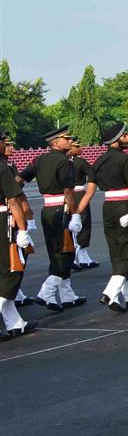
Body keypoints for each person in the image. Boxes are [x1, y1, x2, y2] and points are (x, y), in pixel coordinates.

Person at [19, 126, 85, 311]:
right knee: (65, 253)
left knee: (56, 251)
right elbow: (68, 191)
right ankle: (46, 292)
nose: (71, 142)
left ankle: (67, 295)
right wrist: (76, 215)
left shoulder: (39, 160)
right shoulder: (65, 162)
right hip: (62, 210)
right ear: (57, 142)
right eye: (67, 139)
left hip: (47, 210)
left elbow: (19, 181)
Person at [91, 123, 128, 311]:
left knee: (117, 250)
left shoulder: (98, 160)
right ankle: (110, 293)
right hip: (124, 205)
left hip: (108, 207)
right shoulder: (123, 159)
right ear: (117, 140)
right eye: (125, 135)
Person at [1, 129, 35, 337]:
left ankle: (15, 322)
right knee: (12, 270)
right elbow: (13, 200)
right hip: (3, 220)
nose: (5, 144)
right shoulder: (3, 168)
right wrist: (23, 229)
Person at [68, 140, 100, 270]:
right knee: (84, 222)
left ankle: (73, 255)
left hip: (65, 196)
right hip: (79, 194)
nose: (80, 148)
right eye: (77, 146)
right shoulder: (80, 162)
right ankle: (82, 255)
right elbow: (93, 175)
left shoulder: (63, 161)